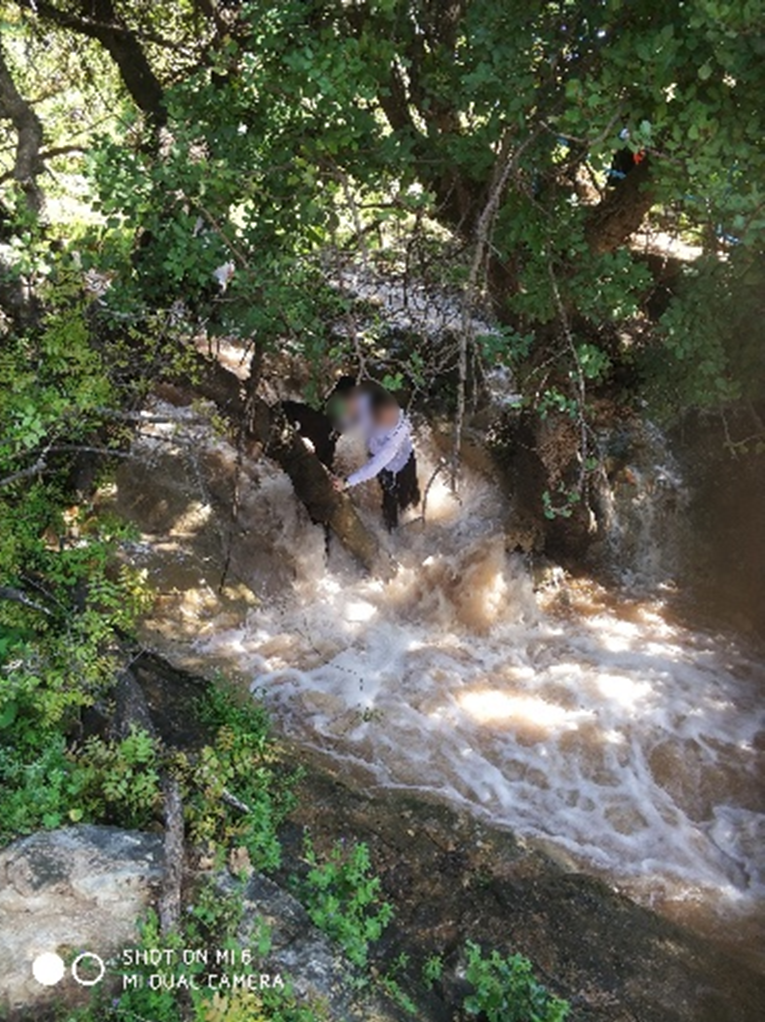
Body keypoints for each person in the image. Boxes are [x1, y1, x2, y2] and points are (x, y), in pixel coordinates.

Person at [332, 386, 420, 530]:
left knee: (408, 492)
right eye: (388, 419)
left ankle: (414, 515)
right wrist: (345, 416)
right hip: (376, 454)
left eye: (394, 415)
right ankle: (392, 532)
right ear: (374, 415)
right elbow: (346, 411)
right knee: (389, 496)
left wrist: (347, 482)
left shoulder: (401, 429)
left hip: (402, 460)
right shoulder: (364, 403)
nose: (394, 420)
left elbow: (378, 463)